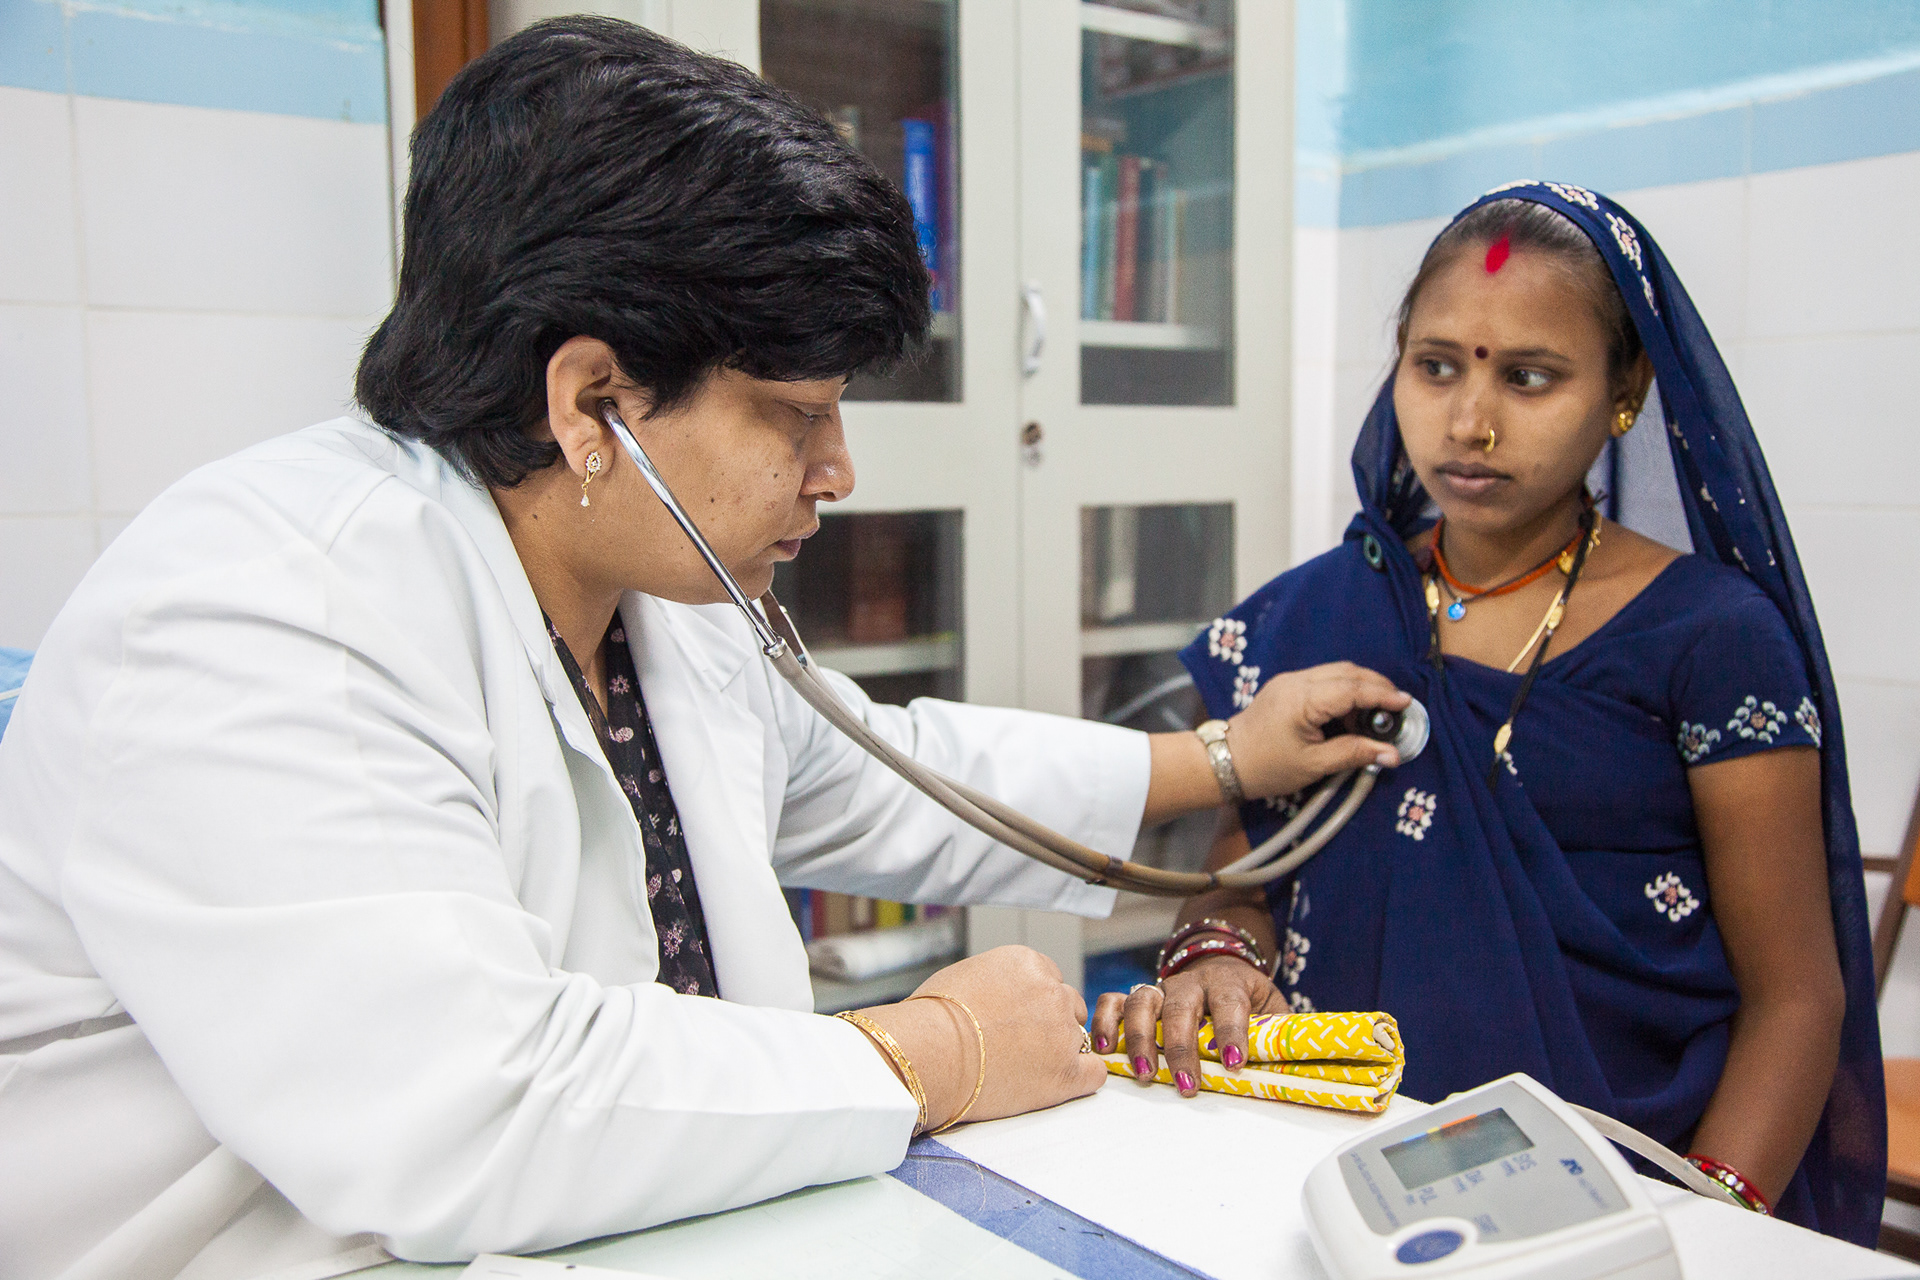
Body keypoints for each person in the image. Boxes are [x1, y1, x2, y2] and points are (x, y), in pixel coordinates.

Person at [0, 19, 1411, 1280]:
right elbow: (464, 1114)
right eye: (796, 415)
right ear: (591, 401)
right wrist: (929, 1055)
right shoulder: (267, 611)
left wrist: (1221, 754)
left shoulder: (652, 604)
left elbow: (888, 777)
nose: (839, 470)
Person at [1093, 184, 1886, 1244]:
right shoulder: (1326, 610)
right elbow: (1247, 887)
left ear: (1626, 389)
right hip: (1319, 1168)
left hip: (1618, 1194)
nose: (1469, 421)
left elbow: (1797, 1000)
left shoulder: (1712, 639)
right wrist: (1217, 955)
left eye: (1529, 376)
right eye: (1436, 366)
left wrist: (1703, 1230)